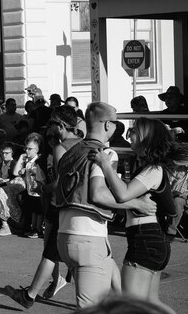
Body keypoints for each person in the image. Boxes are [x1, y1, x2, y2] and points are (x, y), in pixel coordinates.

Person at [52, 102, 157, 309]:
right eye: (116, 123)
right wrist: (137, 203)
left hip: (65, 236)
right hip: (89, 239)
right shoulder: (106, 154)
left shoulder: (69, 153)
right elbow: (98, 194)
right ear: (108, 124)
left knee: (119, 295)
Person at [89, 117, 188, 314]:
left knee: (131, 306)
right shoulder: (151, 168)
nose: (130, 134)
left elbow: (123, 194)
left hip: (145, 239)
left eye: (135, 131)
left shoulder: (153, 169)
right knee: (151, 305)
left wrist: (105, 165)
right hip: (153, 240)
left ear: (148, 138)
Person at [5, 105, 81, 308]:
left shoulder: (60, 147)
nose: (50, 129)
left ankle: (29, 296)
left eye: (53, 125)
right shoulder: (82, 144)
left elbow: (59, 181)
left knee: (51, 252)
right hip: (79, 206)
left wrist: (44, 188)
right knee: (74, 254)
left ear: (62, 125)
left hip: (63, 206)